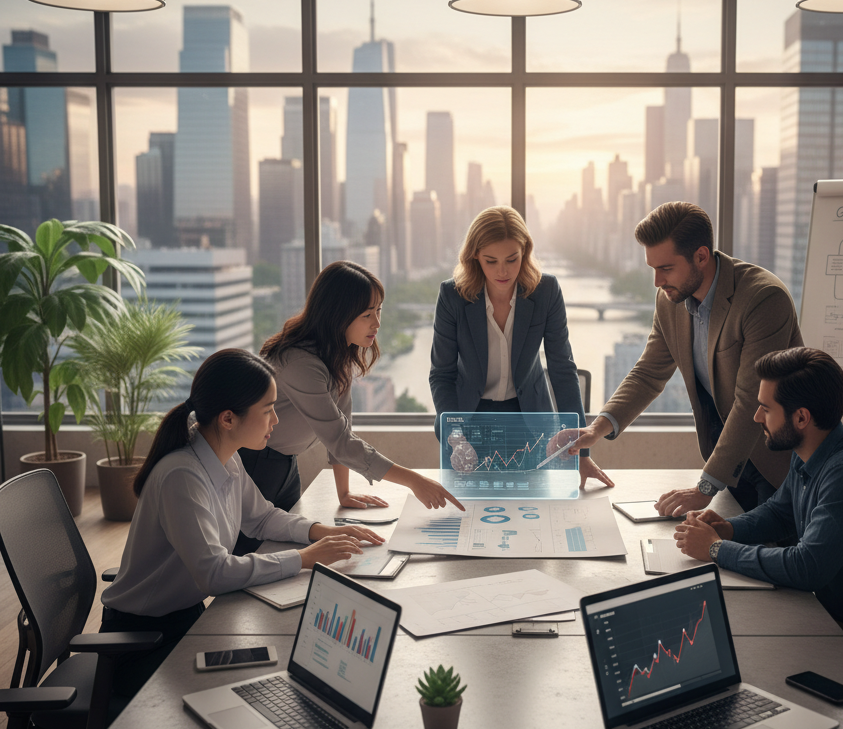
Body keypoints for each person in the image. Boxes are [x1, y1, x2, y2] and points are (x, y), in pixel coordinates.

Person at [101, 349, 382, 698]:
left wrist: (321, 532)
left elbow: (261, 518)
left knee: (277, 671)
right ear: (228, 419)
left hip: (184, 619)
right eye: (268, 411)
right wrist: (305, 558)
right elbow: (214, 573)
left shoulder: (224, 457)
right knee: (265, 687)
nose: (276, 421)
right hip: (140, 643)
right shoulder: (182, 476)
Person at [674, 347, 843, 687]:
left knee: (752, 668)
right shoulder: (812, 449)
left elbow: (806, 567)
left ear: (801, 418)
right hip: (841, 620)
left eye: (766, 409)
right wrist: (728, 529)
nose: (756, 418)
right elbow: (781, 513)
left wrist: (716, 550)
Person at [570, 201, 800, 513]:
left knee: (776, 551)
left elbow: (750, 402)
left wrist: (705, 487)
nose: (657, 282)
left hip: (774, 458)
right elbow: (648, 373)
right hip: (725, 458)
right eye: (652, 269)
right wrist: (596, 428)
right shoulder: (670, 300)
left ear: (701, 256)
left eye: (665, 268)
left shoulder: (763, 299)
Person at [237, 261, 463, 555]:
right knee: (248, 557)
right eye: (367, 314)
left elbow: (342, 426)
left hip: (284, 465)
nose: (377, 323)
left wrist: (343, 493)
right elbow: (341, 441)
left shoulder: (339, 354)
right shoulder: (299, 362)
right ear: (337, 314)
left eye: (379, 310)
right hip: (253, 465)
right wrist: (413, 480)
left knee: (280, 554)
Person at [429, 206, 613, 490]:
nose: (502, 271)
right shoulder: (452, 296)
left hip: (529, 422)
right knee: (470, 514)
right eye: (491, 261)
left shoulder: (546, 291)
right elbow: (441, 375)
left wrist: (582, 455)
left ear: (525, 252)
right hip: (469, 422)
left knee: (534, 511)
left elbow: (563, 370)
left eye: (512, 259)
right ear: (475, 256)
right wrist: (456, 436)